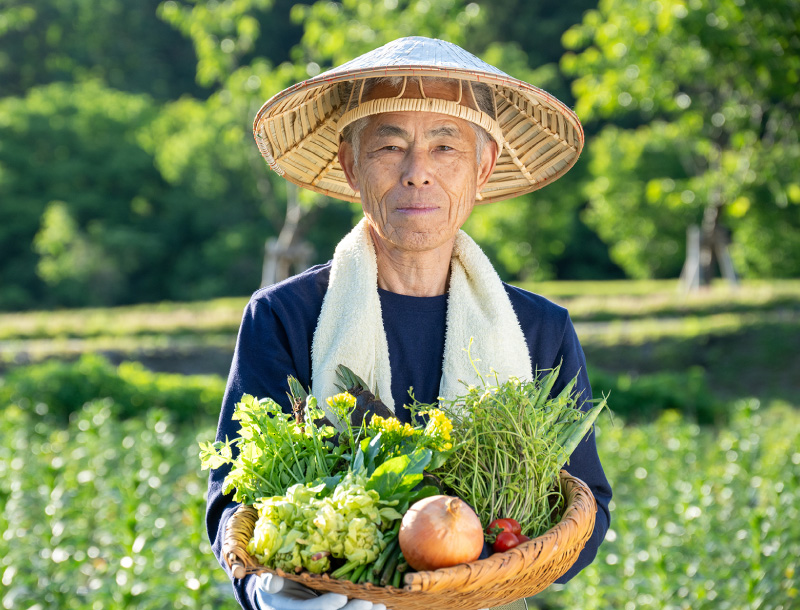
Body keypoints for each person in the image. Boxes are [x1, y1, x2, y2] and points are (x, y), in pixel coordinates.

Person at [207, 36, 613, 610]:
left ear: (483, 167)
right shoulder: (286, 317)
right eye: (389, 147)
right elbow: (233, 497)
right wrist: (268, 592)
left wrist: (497, 569)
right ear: (351, 166)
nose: (417, 172)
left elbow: (587, 504)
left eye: (445, 146)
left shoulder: (538, 328)